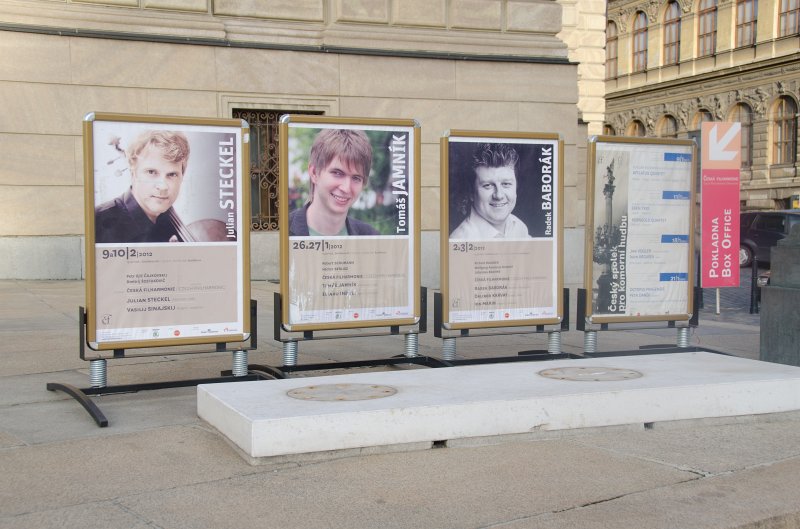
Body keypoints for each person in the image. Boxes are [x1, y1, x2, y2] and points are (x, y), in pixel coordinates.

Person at [95, 130, 191, 243]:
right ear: (133, 172)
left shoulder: (170, 224)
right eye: (151, 172)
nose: (163, 186)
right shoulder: (97, 222)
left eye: (172, 175)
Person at [289, 128, 379, 236]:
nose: (346, 188)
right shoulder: (281, 233)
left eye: (356, 178)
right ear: (314, 173)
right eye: (337, 173)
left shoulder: (371, 237)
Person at [450, 143, 530, 239]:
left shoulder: (519, 227)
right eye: (487, 185)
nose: (499, 195)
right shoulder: (461, 241)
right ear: (471, 192)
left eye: (506, 184)